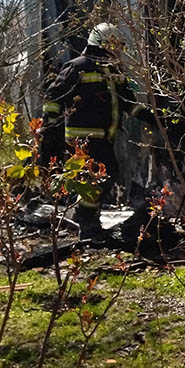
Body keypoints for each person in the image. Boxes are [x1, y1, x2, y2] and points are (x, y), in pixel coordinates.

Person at [40, 23, 148, 239]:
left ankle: (88, 221)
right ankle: (86, 220)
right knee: (101, 176)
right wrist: (51, 128)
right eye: (116, 46)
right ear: (104, 44)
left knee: (99, 178)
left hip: (104, 137)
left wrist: (154, 117)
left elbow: (127, 102)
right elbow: (53, 98)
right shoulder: (78, 66)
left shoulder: (114, 71)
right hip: (83, 138)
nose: (118, 52)